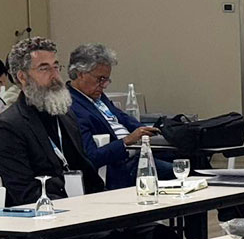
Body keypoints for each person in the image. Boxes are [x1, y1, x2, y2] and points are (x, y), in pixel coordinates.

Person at [0, 37, 220, 239]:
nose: (55, 75)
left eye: (56, 66)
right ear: (22, 77)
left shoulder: (63, 114)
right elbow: (26, 195)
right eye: (44, 68)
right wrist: (82, 209)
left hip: (87, 214)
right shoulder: (9, 126)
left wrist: (109, 207)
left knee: (164, 238)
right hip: (45, 225)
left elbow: (86, 170)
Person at [66, 43, 174, 190]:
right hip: (119, 167)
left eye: (106, 80)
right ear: (80, 74)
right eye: (100, 79)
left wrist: (146, 130)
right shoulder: (71, 106)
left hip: (138, 153)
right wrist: (126, 141)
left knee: (190, 158)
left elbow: (123, 118)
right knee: (180, 172)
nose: (104, 85)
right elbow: (90, 157)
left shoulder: (96, 95)